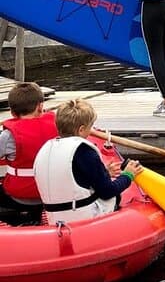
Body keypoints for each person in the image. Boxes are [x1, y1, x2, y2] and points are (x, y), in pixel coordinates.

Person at [33, 98, 142, 224]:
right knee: (114, 196)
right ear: (81, 129)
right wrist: (128, 175)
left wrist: (104, 171)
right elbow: (107, 191)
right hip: (83, 219)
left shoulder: (46, 149)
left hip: (55, 217)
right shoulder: (85, 152)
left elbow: (69, 176)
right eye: (90, 127)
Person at [0, 81, 58, 209]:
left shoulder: (8, 136)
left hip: (20, 197)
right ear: (40, 106)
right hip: (53, 192)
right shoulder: (58, 125)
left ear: (12, 112)